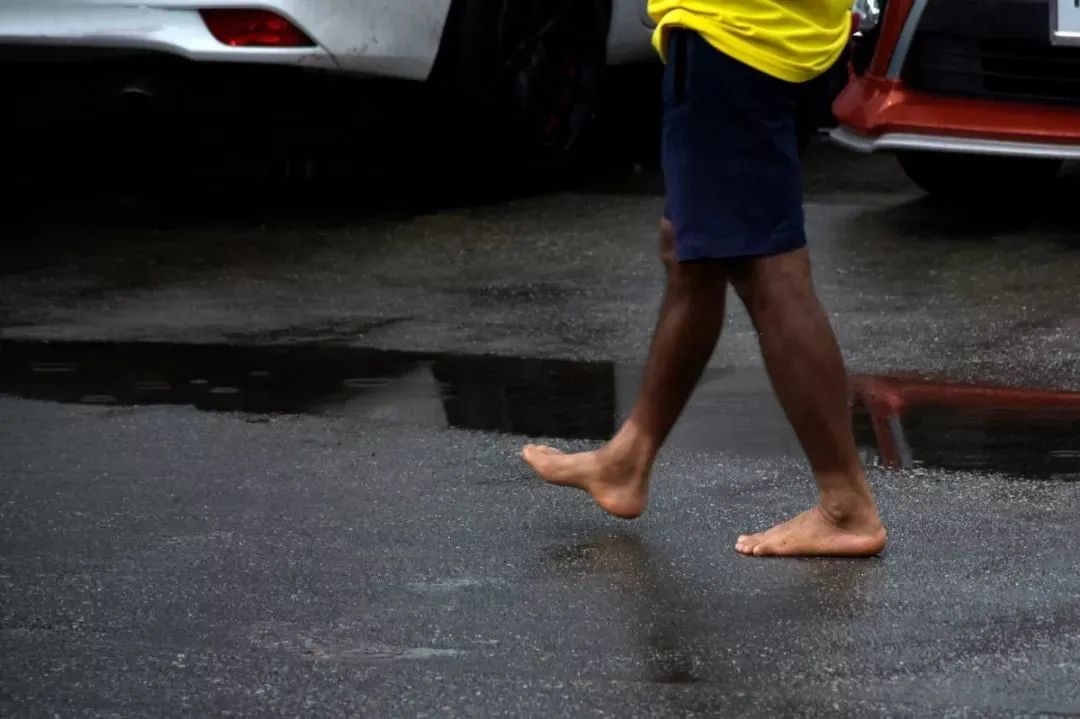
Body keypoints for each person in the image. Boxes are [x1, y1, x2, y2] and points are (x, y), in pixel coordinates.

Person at [522, 0, 887, 557]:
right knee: (691, 248)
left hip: (735, 38)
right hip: (795, 32)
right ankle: (628, 460)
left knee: (768, 265)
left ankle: (845, 505)